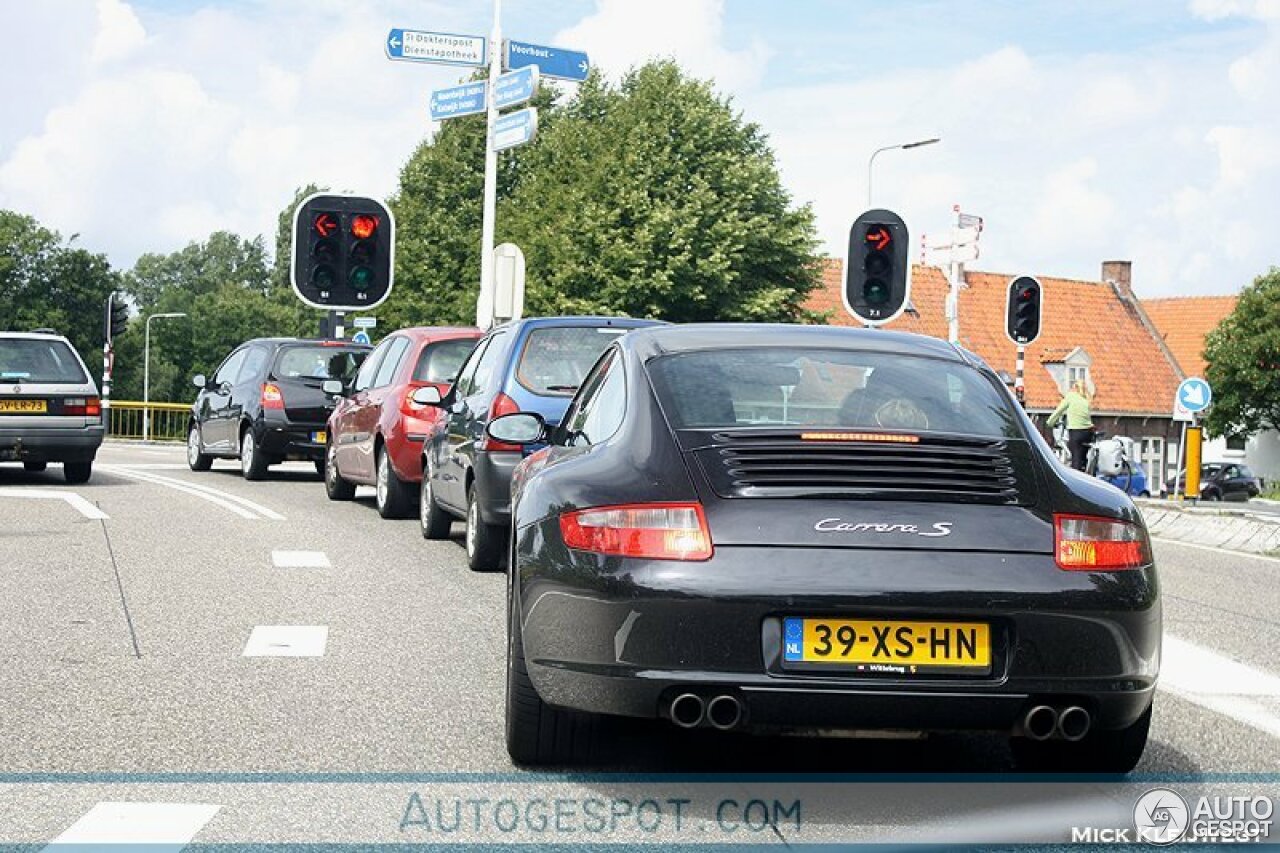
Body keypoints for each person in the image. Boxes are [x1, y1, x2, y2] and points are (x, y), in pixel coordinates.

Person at [1046, 380, 1094, 471]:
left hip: (1076, 432)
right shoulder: (1086, 399)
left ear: (1074, 388)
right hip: (1088, 433)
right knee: (1082, 457)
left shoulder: (1071, 396)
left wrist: (1050, 422)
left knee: (1075, 459)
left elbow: (1058, 411)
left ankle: (1077, 481)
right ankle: (1086, 470)